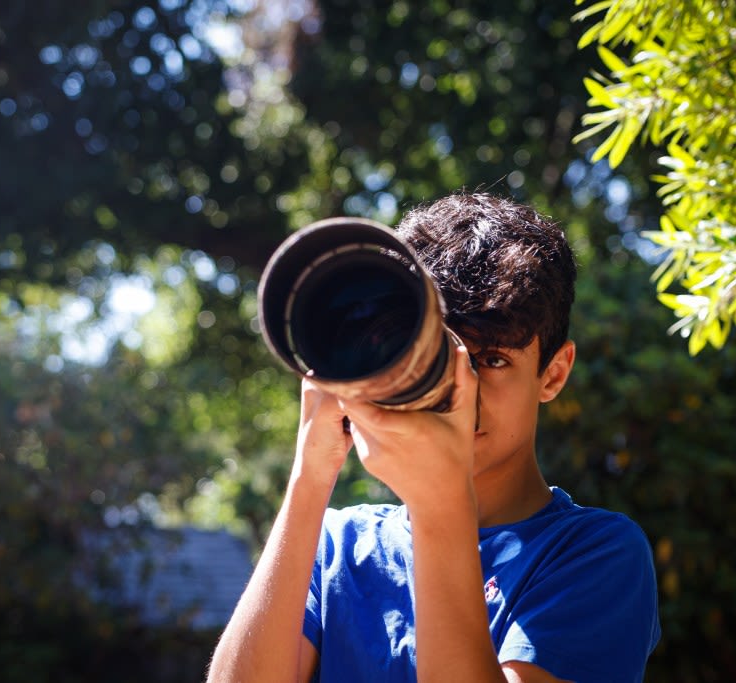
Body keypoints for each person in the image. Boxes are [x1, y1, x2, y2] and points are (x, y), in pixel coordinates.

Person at [206, 192, 661, 682]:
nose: (460, 389)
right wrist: (310, 474)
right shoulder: (337, 547)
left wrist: (441, 500)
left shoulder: (595, 553)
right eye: (442, 355)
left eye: (492, 360)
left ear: (553, 373)